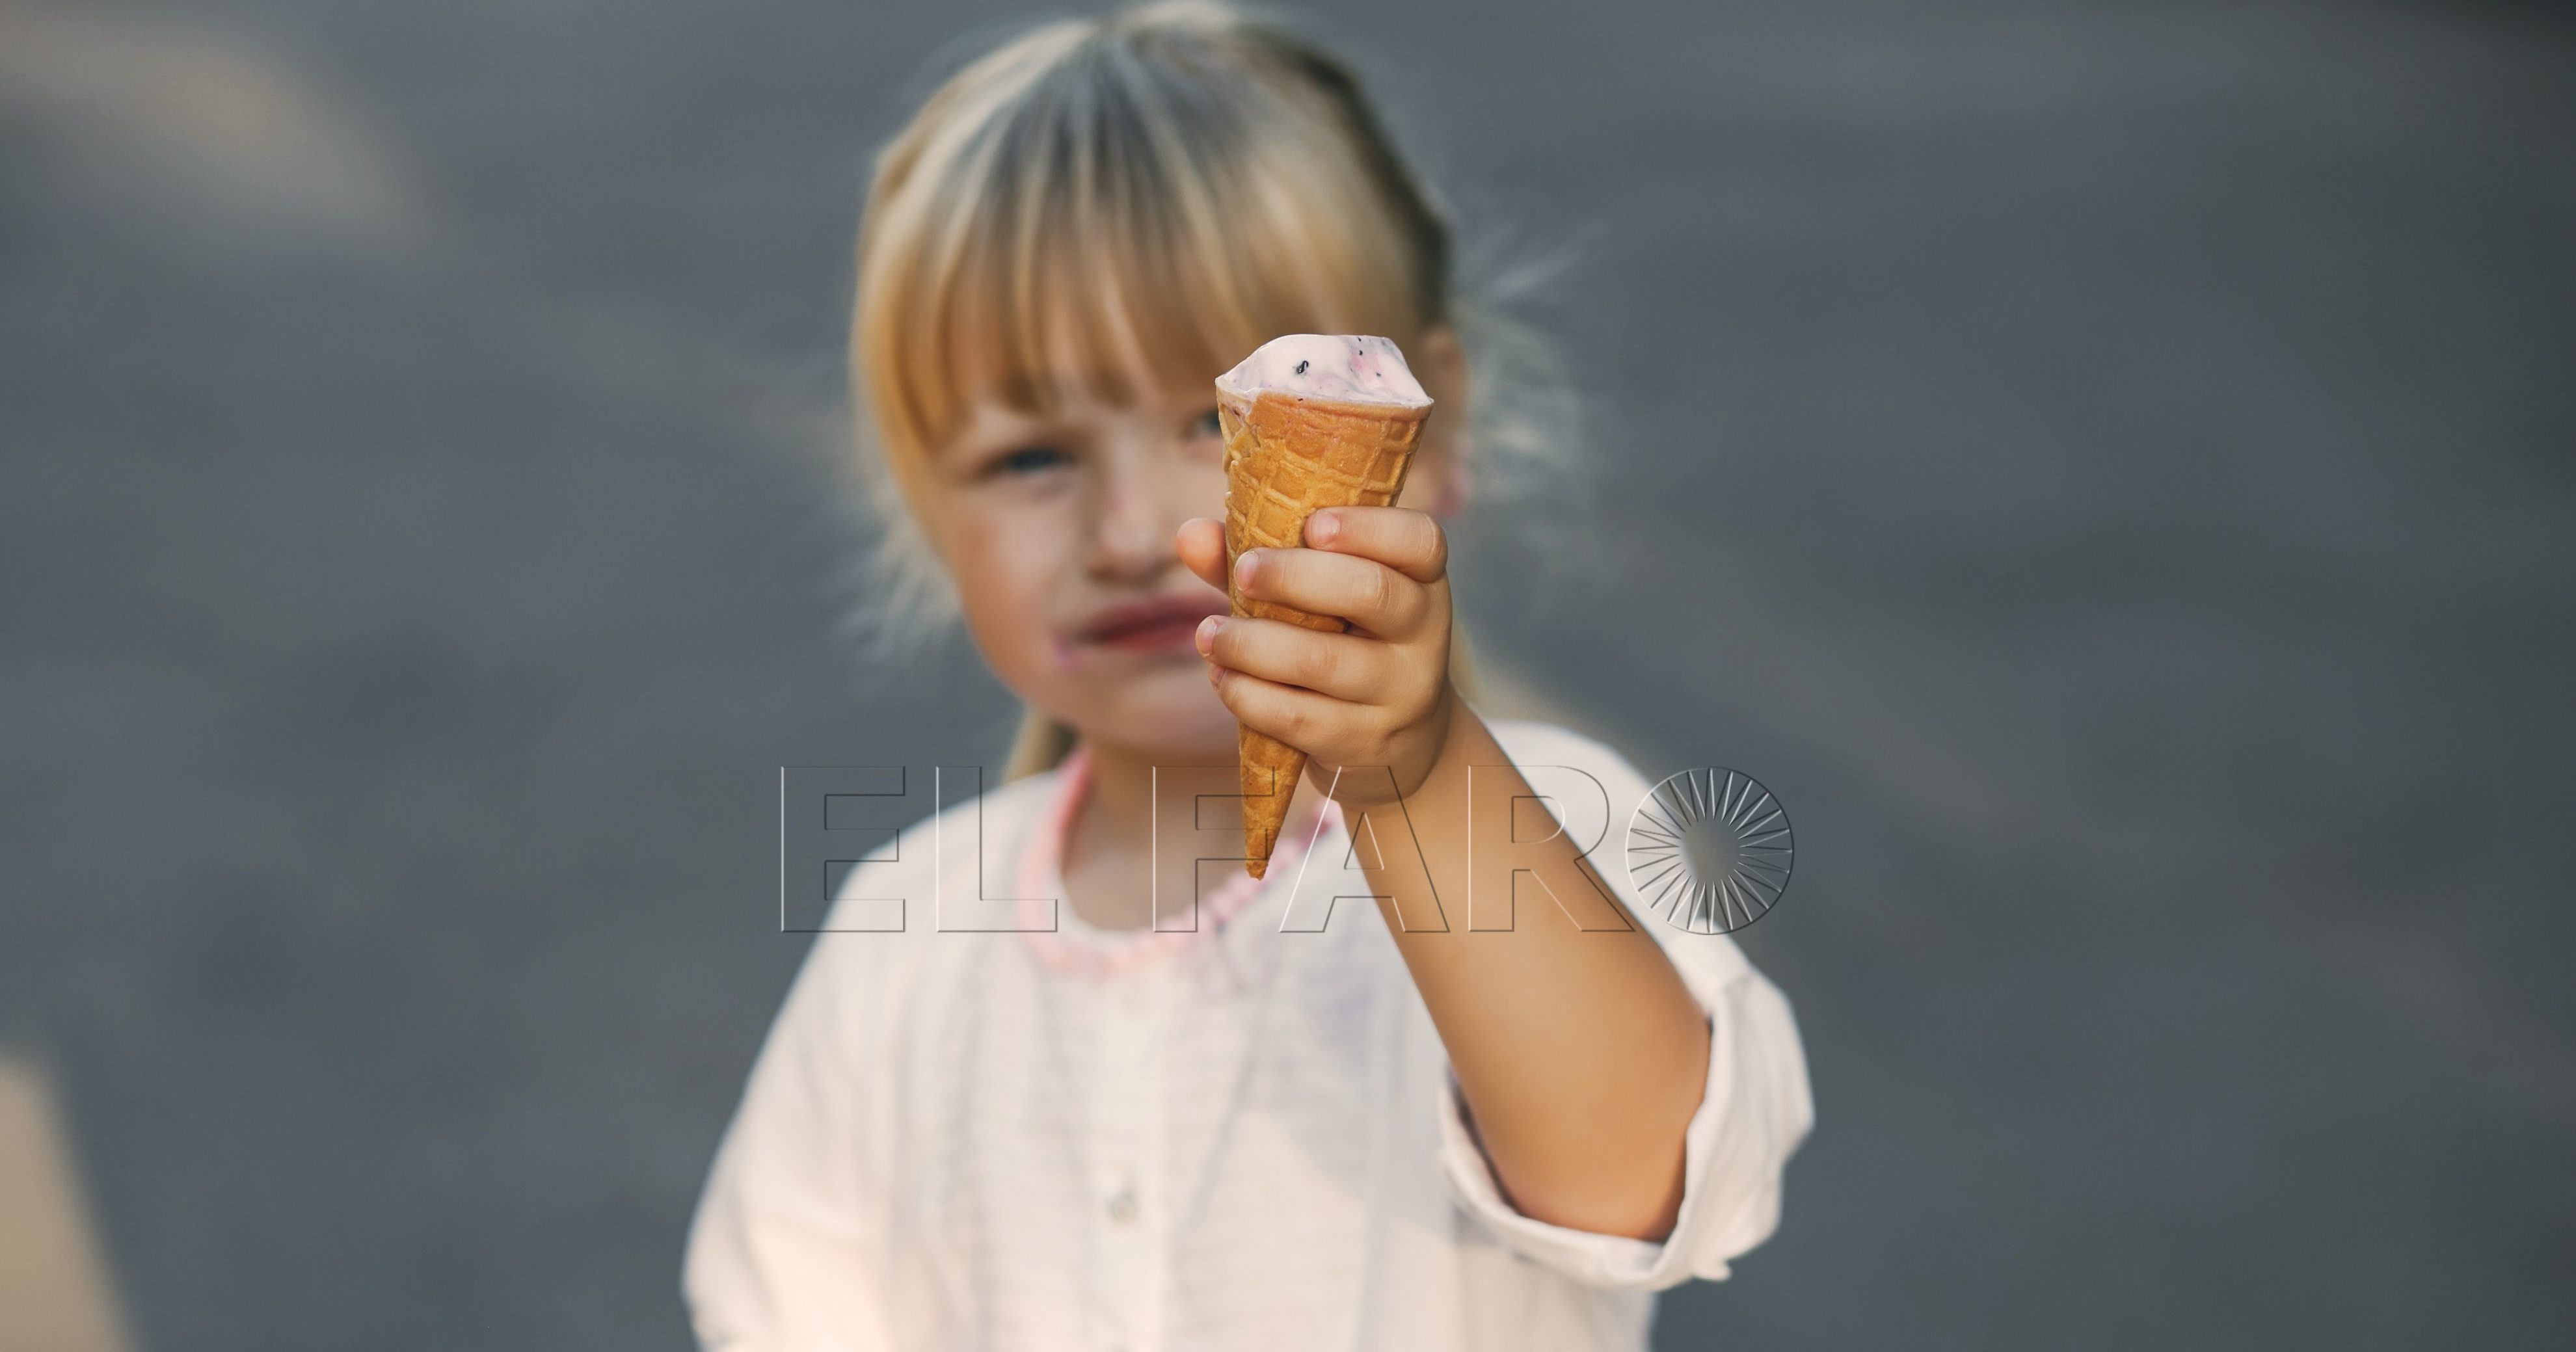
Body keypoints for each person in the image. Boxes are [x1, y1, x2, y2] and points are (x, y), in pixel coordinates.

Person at [682, 5, 1811, 1348]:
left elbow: (1645, 1177)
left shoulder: (1544, 819)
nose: (1127, 531)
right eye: (1030, 457)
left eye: (1224, 429)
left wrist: (1417, 776)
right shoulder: (906, 928)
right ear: (923, 508)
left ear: (1429, 433)